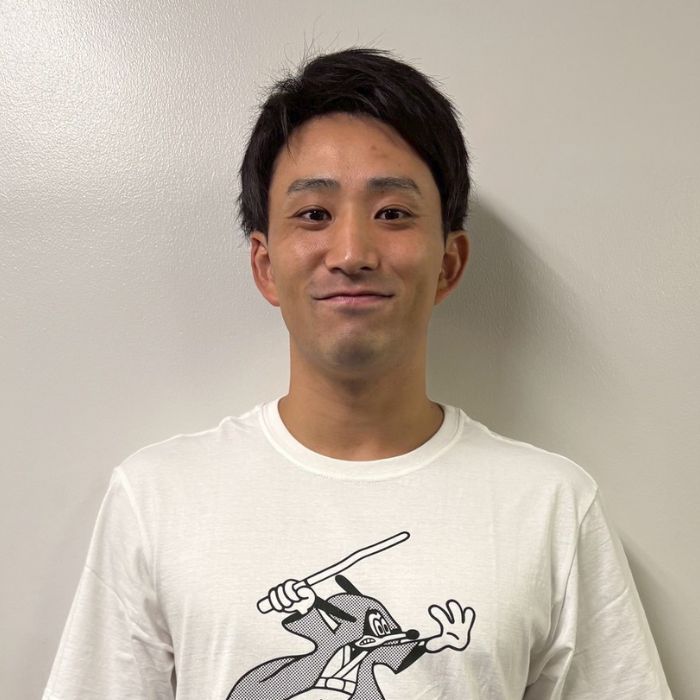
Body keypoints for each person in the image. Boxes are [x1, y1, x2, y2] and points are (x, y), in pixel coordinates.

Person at [43, 48, 672, 700]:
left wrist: (435, 640)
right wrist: (299, 607)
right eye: (314, 214)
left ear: (449, 264)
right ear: (265, 265)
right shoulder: (158, 499)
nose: (351, 253)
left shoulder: (550, 509)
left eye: (392, 213)